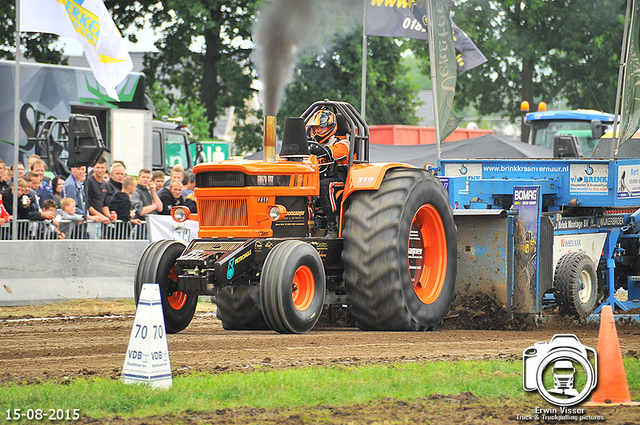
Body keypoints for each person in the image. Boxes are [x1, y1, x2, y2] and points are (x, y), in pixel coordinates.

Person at [306, 109, 350, 237]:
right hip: (317, 179)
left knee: (325, 185)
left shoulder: (342, 143)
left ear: (331, 127)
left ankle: (332, 225)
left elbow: (334, 152)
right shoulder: (312, 145)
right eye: (315, 128)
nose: (318, 131)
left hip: (340, 179)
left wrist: (315, 149)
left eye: (321, 128)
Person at [85, 157, 111, 225]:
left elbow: (105, 204)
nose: (100, 170)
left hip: (101, 220)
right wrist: (101, 216)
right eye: (98, 167)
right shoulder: (89, 182)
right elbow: (87, 204)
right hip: (91, 220)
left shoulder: (105, 184)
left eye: (102, 168)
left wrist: (109, 216)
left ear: (106, 168)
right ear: (94, 168)